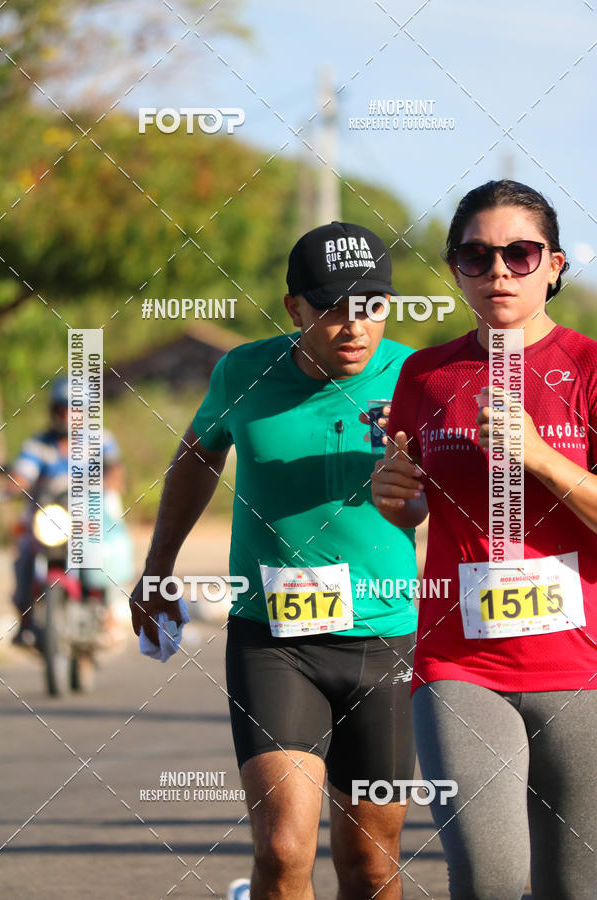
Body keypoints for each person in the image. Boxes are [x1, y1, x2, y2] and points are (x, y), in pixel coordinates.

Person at [130, 221, 419, 899]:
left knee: (371, 864)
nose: (355, 326)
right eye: (333, 310)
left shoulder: (415, 376)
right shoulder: (243, 372)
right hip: (274, 641)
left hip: (386, 641)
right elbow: (199, 454)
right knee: (284, 849)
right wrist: (157, 567)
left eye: (372, 306)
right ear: (295, 310)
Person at [371, 180, 597, 899]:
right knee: (490, 879)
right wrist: (395, 502)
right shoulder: (426, 374)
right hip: (460, 666)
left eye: (519, 254)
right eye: (476, 255)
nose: (498, 270)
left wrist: (540, 457)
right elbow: (412, 511)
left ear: (553, 266)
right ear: (456, 268)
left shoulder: (589, 369)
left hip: (582, 669)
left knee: (573, 886)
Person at [8, 376, 125, 647]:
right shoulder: (38, 444)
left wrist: (108, 483)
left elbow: (115, 470)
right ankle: (24, 621)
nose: (68, 414)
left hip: (87, 515)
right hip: (49, 517)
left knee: (102, 551)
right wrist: (13, 485)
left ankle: (107, 612)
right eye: (64, 408)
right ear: (54, 410)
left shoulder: (101, 439)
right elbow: (22, 476)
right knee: (24, 552)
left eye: (75, 408)